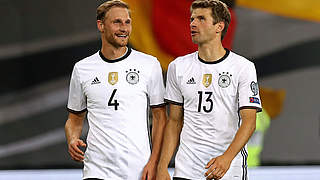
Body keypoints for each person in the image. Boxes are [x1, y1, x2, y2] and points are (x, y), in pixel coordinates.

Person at [156, 0, 262, 179]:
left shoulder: (243, 67)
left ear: (219, 26)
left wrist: (226, 158)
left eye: (201, 19)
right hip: (187, 169)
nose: (193, 24)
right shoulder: (178, 67)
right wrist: (162, 165)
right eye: (192, 19)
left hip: (228, 169)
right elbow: (174, 122)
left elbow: (249, 121)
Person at [64, 1, 167, 179]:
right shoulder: (83, 69)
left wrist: (155, 162)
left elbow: (159, 118)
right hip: (96, 169)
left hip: (138, 169)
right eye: (117, 22)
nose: (124, 28)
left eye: (127, 22)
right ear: (101, 25)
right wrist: (73, 138)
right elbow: (74, 119)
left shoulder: (149, 65)